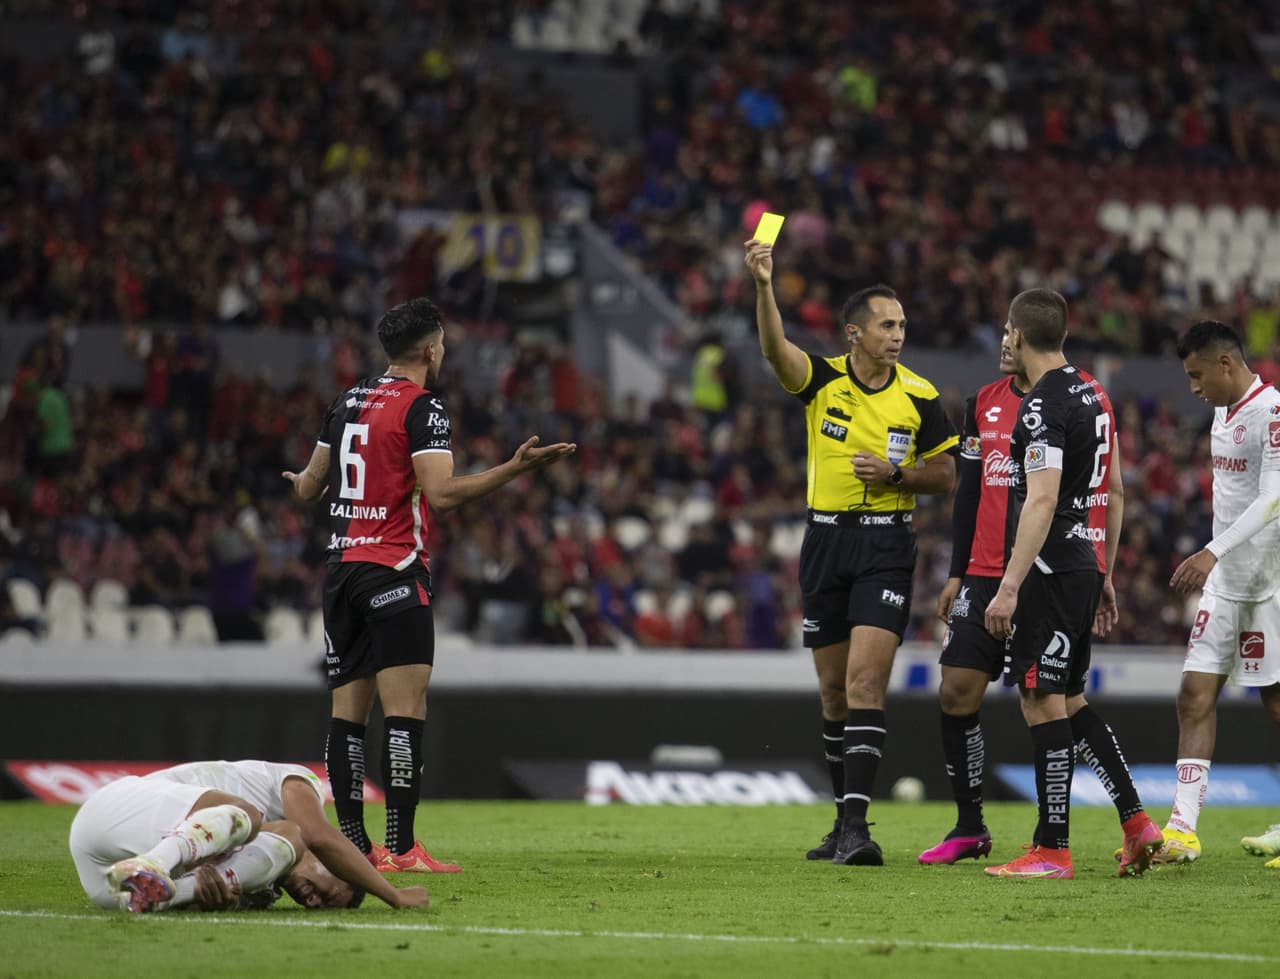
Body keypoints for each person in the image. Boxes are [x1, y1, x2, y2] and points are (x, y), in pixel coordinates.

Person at [283, 297, 575, 872]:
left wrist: (300, 479)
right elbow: (440, 495)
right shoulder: (424, 408)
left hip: (341, 572)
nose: (444, 351)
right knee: (404, 713)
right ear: (428, 349)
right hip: (393, 568)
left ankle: (351, 849)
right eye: (442, 343)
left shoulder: (346, 400)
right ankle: (401, 848)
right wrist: (516, 469)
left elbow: (308, 488)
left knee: (346, 718)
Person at [744, 240, 958, 866]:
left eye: (901, 326)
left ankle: (860, 830)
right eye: (887, 326)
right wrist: (764, 288)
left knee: (867, 682)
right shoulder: (824, 379)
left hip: (885, 542)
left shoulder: (919, 394)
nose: (897, 336)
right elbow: (773, 352)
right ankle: (841, 825)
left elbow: (946, 473)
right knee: (834, 694)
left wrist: (896, 477)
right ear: (854, 334)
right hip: (824, 541)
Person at [920, 325, 1162, 872]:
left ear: (1024, 334)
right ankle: (1134, 822)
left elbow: (1047, 496)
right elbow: (974, 491)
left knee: (1043, 700)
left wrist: (1011, 583)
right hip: (1042, 564)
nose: (1002, 341)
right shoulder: (1069, 393)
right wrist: (1103, 566)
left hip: (1036, 569)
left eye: (1008, 331)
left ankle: (1052, 848)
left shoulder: (1043, 407)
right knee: (1054, 698)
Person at [1153, 320, 1280, 864]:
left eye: (1197, 374)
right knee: (1193, 695)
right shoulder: (1221, 411)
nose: (1194, 387)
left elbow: (1274, 498)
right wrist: (1219, 560)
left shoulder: (1271, 412)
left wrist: (1212, 550)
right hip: (1226, 586)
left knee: (1276, 704)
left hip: (1270, 584)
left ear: (1226, 363)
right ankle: (1182, 830)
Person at [69, 759, 430, 912]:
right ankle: (154, 864)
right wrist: (393, 895)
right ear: (331, 861)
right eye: (325, 889)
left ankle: (165, 889)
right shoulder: (296, 781)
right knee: (267, 824)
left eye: (317, 905)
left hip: (105, 882)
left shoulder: (260, 886)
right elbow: (317, 836)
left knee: (258, 857)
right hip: (119, 807)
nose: (312, 900)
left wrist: (205, 899)